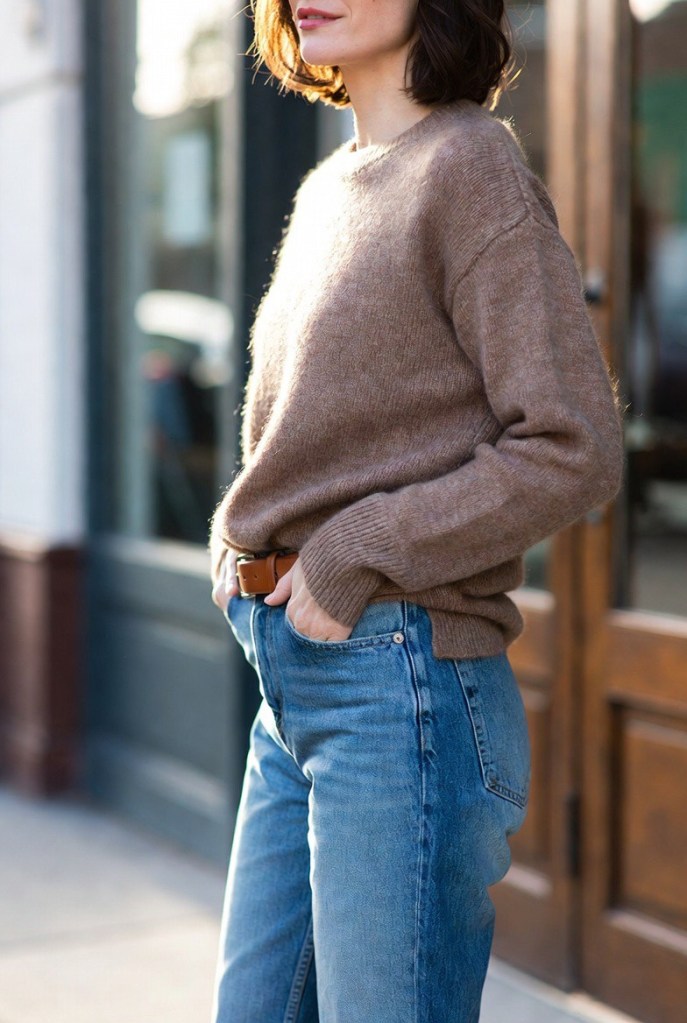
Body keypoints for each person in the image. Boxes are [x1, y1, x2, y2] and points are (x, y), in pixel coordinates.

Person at [208, 1, 623, 1020]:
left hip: (398, 686)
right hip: (290, 684)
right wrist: (240, 542)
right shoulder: (328, 190)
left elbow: (572, 444)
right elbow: (313, 438)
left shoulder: (470, 167)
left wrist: (356, 551)